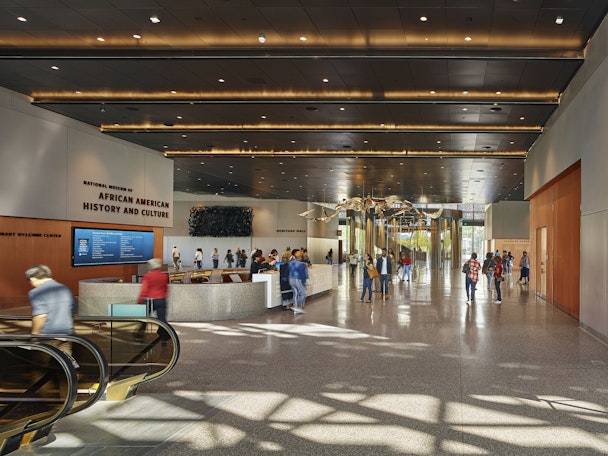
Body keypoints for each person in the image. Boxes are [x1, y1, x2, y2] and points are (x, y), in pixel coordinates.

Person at [26, 264, 75, 354]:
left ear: (33, 278)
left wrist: (35, 335)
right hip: (67, 332)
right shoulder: (65, 289)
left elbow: (41, 316)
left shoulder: (36, 292)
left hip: (47, 334)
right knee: (66, 361)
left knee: (39, 363)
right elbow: (72, 310)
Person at [138, 258, 169, 323]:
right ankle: (163, 332)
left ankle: (140, 332)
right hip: (161, 300)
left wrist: (140, 301)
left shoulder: (147, 276)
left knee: (144, 319)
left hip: (150, 300)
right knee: (162, 320)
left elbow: (144, 290)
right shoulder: (164, 276)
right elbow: (166, 288)